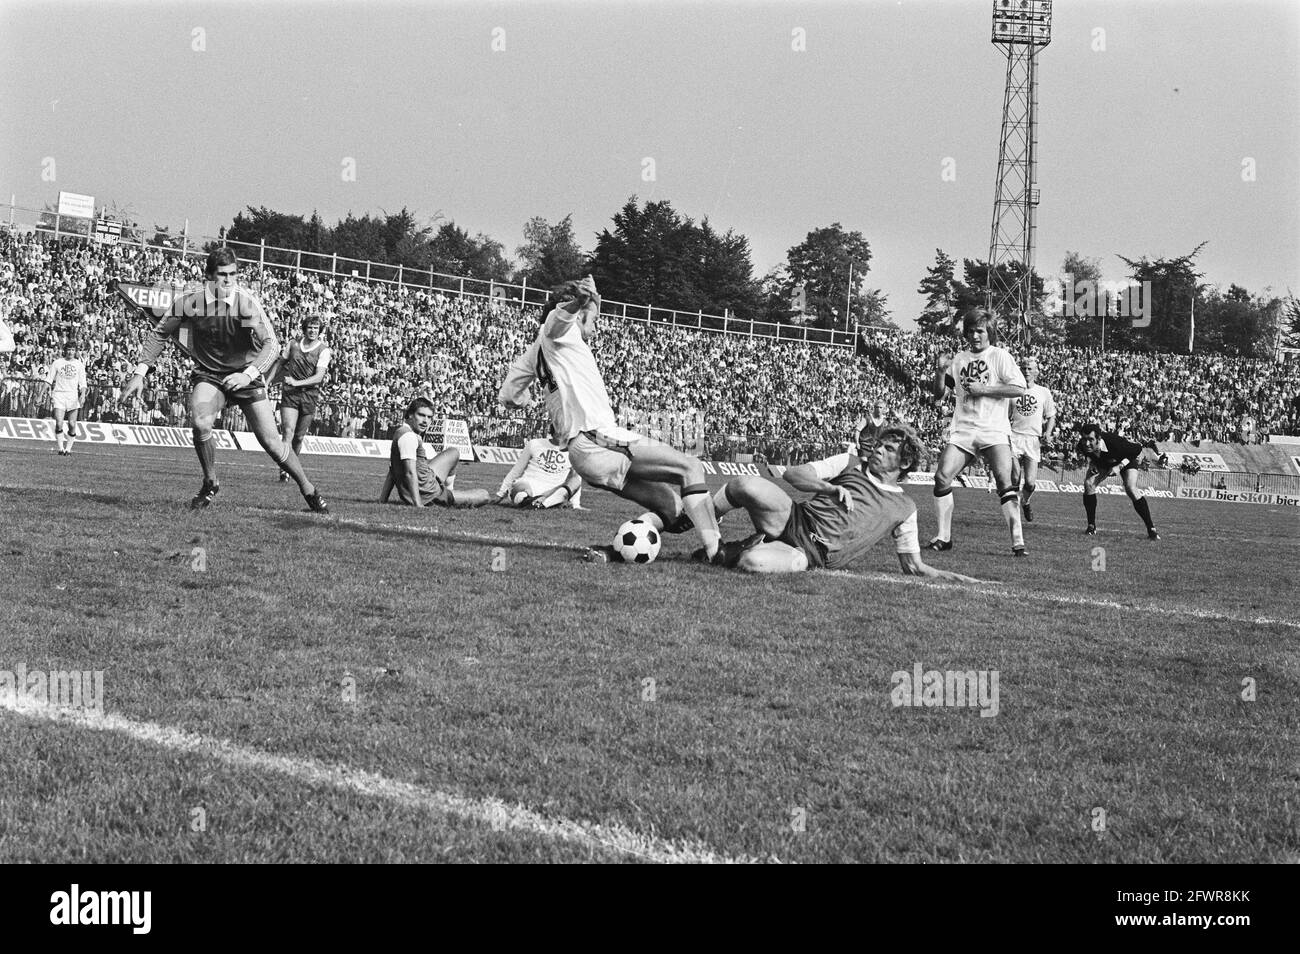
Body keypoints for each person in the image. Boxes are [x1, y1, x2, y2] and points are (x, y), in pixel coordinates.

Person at [498, 275, 723, 561]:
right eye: (591, 319)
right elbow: (556, 323)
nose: (595, 327)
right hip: (597, 437)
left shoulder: (534, 352)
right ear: (577, 315)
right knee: (690, 466)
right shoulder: (560, 331)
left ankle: (612, 552)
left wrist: (524, 400)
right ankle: (717, 552)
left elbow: (508, 395)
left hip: (585, 456)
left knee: (671, 510)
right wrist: (579, 300)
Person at [121, 248, 329, 513]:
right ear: (209, 276)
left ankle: (308, 489)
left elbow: (271, 343)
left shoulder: (244, 304)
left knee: (273, 444)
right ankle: (210, 482)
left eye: (233, 274)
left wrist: (248, 375)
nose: (229, 281)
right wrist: (140, 372)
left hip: (246, 374)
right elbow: (161, 333)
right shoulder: (190, 302)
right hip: (210, 374)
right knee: (200, 421)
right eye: (222, 275)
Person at [707, 425, 983, 581]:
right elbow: (793, 474)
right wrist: (827, 488)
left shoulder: (906, 507)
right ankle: (701, 520)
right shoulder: (848, 463)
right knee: (743, 484)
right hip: (794, 518)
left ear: (906, 462)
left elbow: (913, 567)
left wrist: (959, 578)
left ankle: (735, 549)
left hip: (814, 554)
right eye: (878, 445)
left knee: (752, 563)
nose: (877, 450)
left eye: (888, 449)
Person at [926, 311, 1028, 557]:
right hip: (964, 429)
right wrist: (940, 373)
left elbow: (1019, 388)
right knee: (941, 477)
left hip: (993, 429)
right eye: (971, 330)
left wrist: (985, 389)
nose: (974, 335)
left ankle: (1018, 542)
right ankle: (944, 537)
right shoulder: (959, 359)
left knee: (1005, 482)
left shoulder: (1000, 356)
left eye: (980, 331)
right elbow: (939, 395)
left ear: (989, 333)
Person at [379, 397, 491, 508]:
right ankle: (447, 497)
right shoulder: (409, 437)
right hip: (430, 494)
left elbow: (392, 471)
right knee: (484, 495)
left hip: (426, 482)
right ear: (410, 415)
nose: (425, 421)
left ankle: (449, 491)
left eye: (429, 417)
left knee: (453, 452)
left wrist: (382, 500)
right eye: (421, 415)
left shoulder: (401, 432)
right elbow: (410, 473)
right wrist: (418, 504)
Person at [1076, 423, 1160, 540]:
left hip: (1126, 460)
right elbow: (1088, 454)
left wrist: (1119, 466)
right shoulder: (1082, 445)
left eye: (1091, 439)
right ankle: (1091, 526)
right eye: (1084, 439)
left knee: (1131, 488)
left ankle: (1151, 529)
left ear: (1099, 438)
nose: (1087, 443)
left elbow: (1137, 449)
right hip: (1104, 463)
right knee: (1089, 484)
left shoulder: (1113, 441)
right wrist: (1092, 463)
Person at [276, 315, 333, 482]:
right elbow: (280, 363)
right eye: (310, 327)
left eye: (316, 328)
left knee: (299, 437)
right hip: (290, 393)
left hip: (309, 395)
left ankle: (291, 465)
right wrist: (267, 381)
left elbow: (318, 377)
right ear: (304, 328)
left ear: (320, 331)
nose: (312, 330)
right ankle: (284, 470)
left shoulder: (323, 350)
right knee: (288, 431)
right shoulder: (293, 344)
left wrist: (297, 382)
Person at [1008, 355, 1057, 522]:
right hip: (1014, 436)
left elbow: (1051, 416)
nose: (1026, 371)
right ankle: (1013, 513)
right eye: (1024, 368)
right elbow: (1005, 415)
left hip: (1033, 440)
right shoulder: (1013, 390)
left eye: (1030, 369)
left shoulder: (1044, 392)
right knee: (1015, 476)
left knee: (1030, 483)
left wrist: (1048, 433)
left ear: (1037, 372)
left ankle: (1025, 502)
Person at [493, 434, 584, 509]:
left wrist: (576, 504)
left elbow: (577, 478)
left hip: (554, 491)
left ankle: (540, 503)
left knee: (575, 480)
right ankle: (542, 503)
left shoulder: (575, 451)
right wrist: (501, 493)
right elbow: (516, 470)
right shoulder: (535, 443)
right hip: (529, 485)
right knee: (520, 491)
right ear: (553, 430)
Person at [47, 342, 87, 456]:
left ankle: (68, 449)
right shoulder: (57, 363)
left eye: (73, 350)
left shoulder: (79, 365)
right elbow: (49, 379)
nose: (70, 352)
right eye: (68, 349)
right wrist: (40, 395)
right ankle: (61, 449)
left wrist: (82, 395)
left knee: (72, 424)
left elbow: (83, 383)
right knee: (59, 422)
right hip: (59, 395)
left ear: (75, 351)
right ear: (65, 350)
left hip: (73, 396)